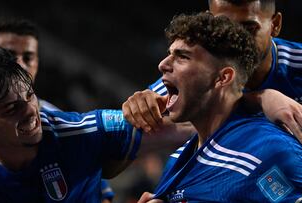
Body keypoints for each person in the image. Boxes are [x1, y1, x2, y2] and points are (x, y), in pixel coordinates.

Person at [0, 18, 116, 202]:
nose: (19, 65)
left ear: (38, 62)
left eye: (28, 57)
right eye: (8, 55)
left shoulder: (61, 125)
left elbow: (97, 190)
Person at [135, 12, 302, 202]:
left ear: (223, 78)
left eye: (182, 57)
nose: (163, 65)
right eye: (169, 54)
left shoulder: (268, 151)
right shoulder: (179, 158)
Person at [125, 0, 302, 143]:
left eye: (249, 29)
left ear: (275, 24)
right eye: (225, 27)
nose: (238, 41)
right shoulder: (193, 76)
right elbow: (124, 133)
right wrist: (140, 106)